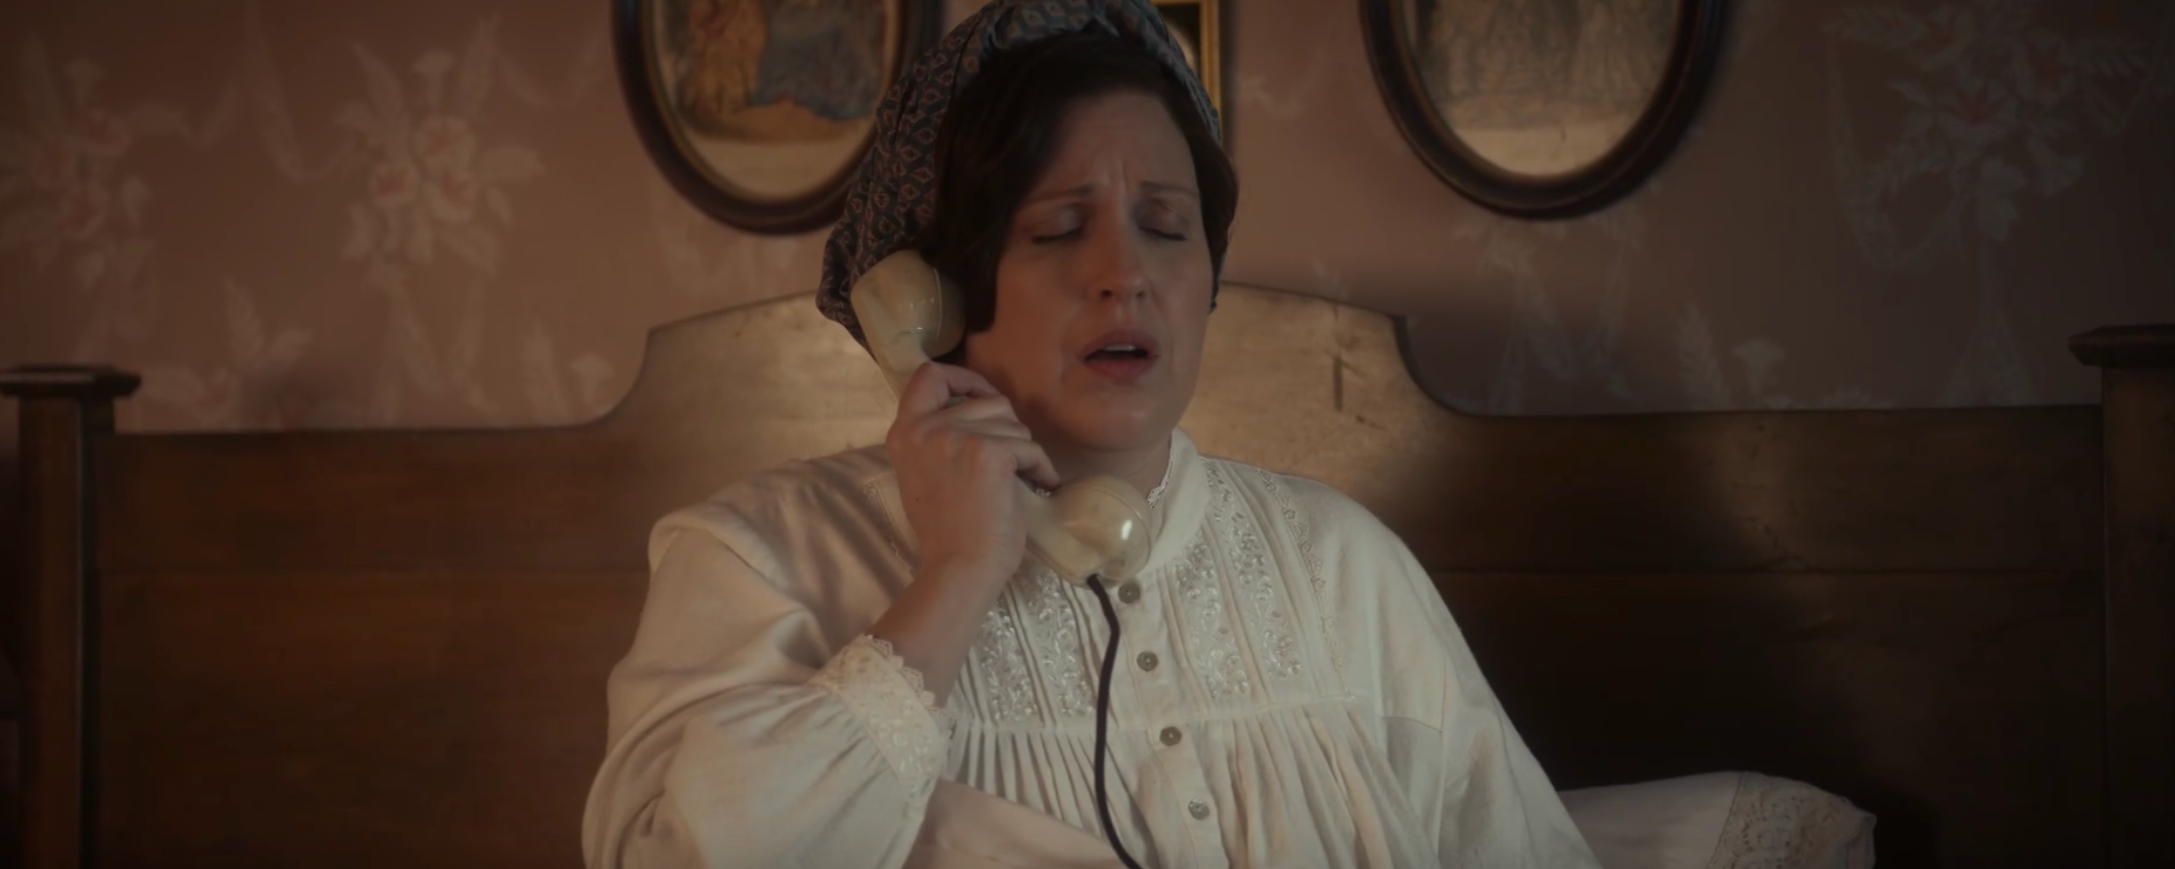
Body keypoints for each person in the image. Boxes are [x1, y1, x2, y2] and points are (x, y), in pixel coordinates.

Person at [581, 2, 1603, 867]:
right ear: (933, 294)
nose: (1127, 275)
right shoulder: (760, 558)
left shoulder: (1347, 566)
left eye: (1167, 225)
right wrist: (955, 579)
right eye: (1059, 229)